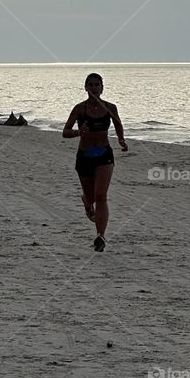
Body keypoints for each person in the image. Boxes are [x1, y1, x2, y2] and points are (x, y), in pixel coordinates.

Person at [62, 72, 128, 251]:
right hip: (84, 156)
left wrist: (121, 140)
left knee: (101, 196)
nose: (93, 87)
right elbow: (65, 132)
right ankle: (86, 201)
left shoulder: (110, 107)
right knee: (91, 197)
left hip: (104, 155)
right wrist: (78, 133)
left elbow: (118, 124)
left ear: (102, 88)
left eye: (97, 85)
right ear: (85, 88)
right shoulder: (79, 109)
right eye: (90, 85)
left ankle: (101, 236)